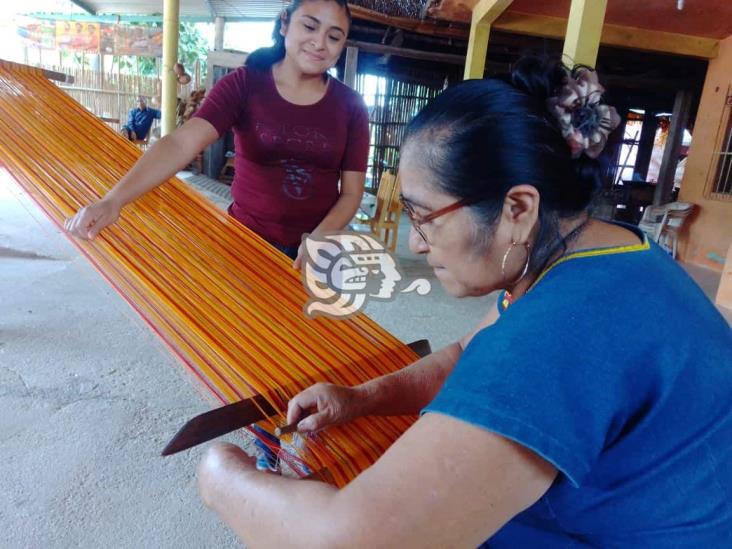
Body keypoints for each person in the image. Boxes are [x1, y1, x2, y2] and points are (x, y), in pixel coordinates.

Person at [195, 57, 732, 548]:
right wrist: (361, 398)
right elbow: (466, 355)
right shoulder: (605, 251)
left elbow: (349, 540)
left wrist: (223, 477)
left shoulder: (559, 332)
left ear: (518, 209)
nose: (414, 243)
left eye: (425, 216)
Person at [65, 0, 368, 471]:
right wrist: (114, 199)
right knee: (253, 355)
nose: (320, 42)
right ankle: (269, 449)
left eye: (335, 36)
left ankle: (309, 438)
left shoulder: (350, 106)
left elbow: (350, 194)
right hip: (245, 243)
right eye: (310, 26)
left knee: (309, 354)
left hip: (317, 249)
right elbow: (182, 142)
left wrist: (318, 240)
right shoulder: (245, 86)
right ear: (285, 24)